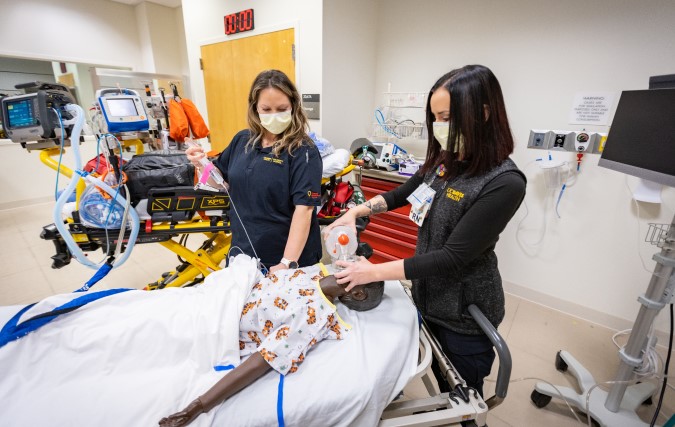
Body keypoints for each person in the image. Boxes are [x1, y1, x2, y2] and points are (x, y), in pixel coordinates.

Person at [324, 64, 526, 396]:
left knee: (460, 396)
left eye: (448, 117)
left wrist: (372, 272)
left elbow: (451, 257)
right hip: (426, 297)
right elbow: (403, 194)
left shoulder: (503, 182)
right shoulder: (447, 161)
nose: (439, 127)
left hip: (464, 313)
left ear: (484, 113)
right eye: (436, 118)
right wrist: (356, 210)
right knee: (426, 372)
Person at [158, 266, 385, 427]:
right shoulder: (316, 271)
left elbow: (261, 361)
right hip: (208, 298)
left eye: (360, 269)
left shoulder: (313, 318)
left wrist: (197, 407)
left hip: (207, 325)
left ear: (357, 292)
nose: (353, 263)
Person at [186, 70, 323, 274]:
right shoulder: (243, 140)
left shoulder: (303, 151)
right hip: (242, 253)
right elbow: (221, 182)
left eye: (282, 108)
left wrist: (287, 262)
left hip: (286, 259)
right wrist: (201, 164)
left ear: (293, 106)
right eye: (266, 109)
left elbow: (305, 210)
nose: (274, 115)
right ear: (255, 108)